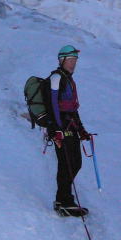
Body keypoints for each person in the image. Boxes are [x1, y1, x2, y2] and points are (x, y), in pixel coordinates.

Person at [48, 45, 91, 217]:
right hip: (61, 130)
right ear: (62, 60)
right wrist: (56, 130)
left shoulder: (68, 80)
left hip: (69, 128)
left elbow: (72, 109)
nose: (73, 63)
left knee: (73, 164)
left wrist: (81, 130)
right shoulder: (56, 78)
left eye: (75, 60)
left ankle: (63, 201)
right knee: (68, 164)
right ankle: (65, 202)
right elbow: (53, 106)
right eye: (70, 60)